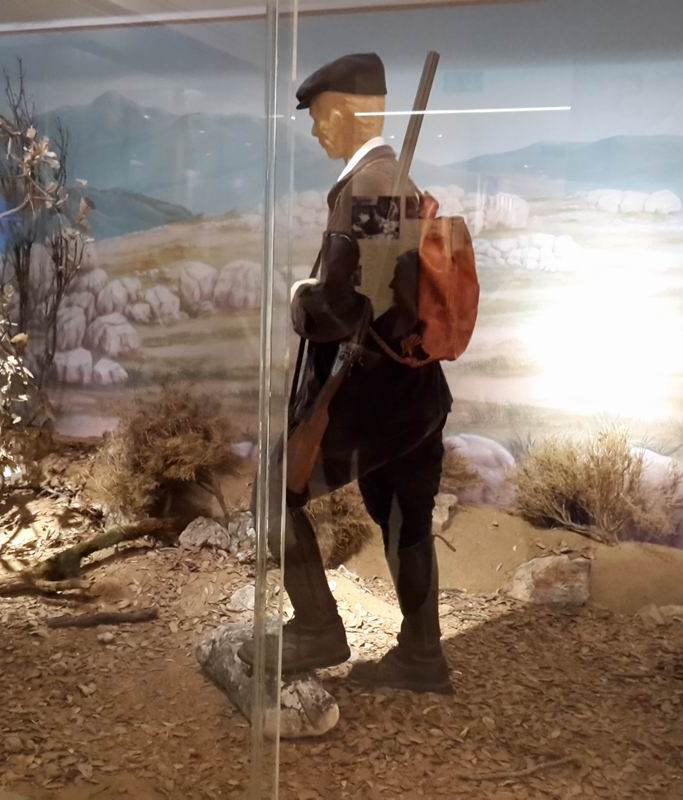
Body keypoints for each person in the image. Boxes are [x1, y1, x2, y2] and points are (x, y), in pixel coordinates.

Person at [239, 53, 454, 694]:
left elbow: (338, 307)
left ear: (346, 112)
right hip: (414, 393)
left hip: (367, 395)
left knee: (273, 497)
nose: (315, 131)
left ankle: (316, 629)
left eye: (319, 117)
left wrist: (299, 299)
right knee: (403, 517)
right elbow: (387, 293)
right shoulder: (395, 182)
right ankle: (421, 656)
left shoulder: (368, 186)